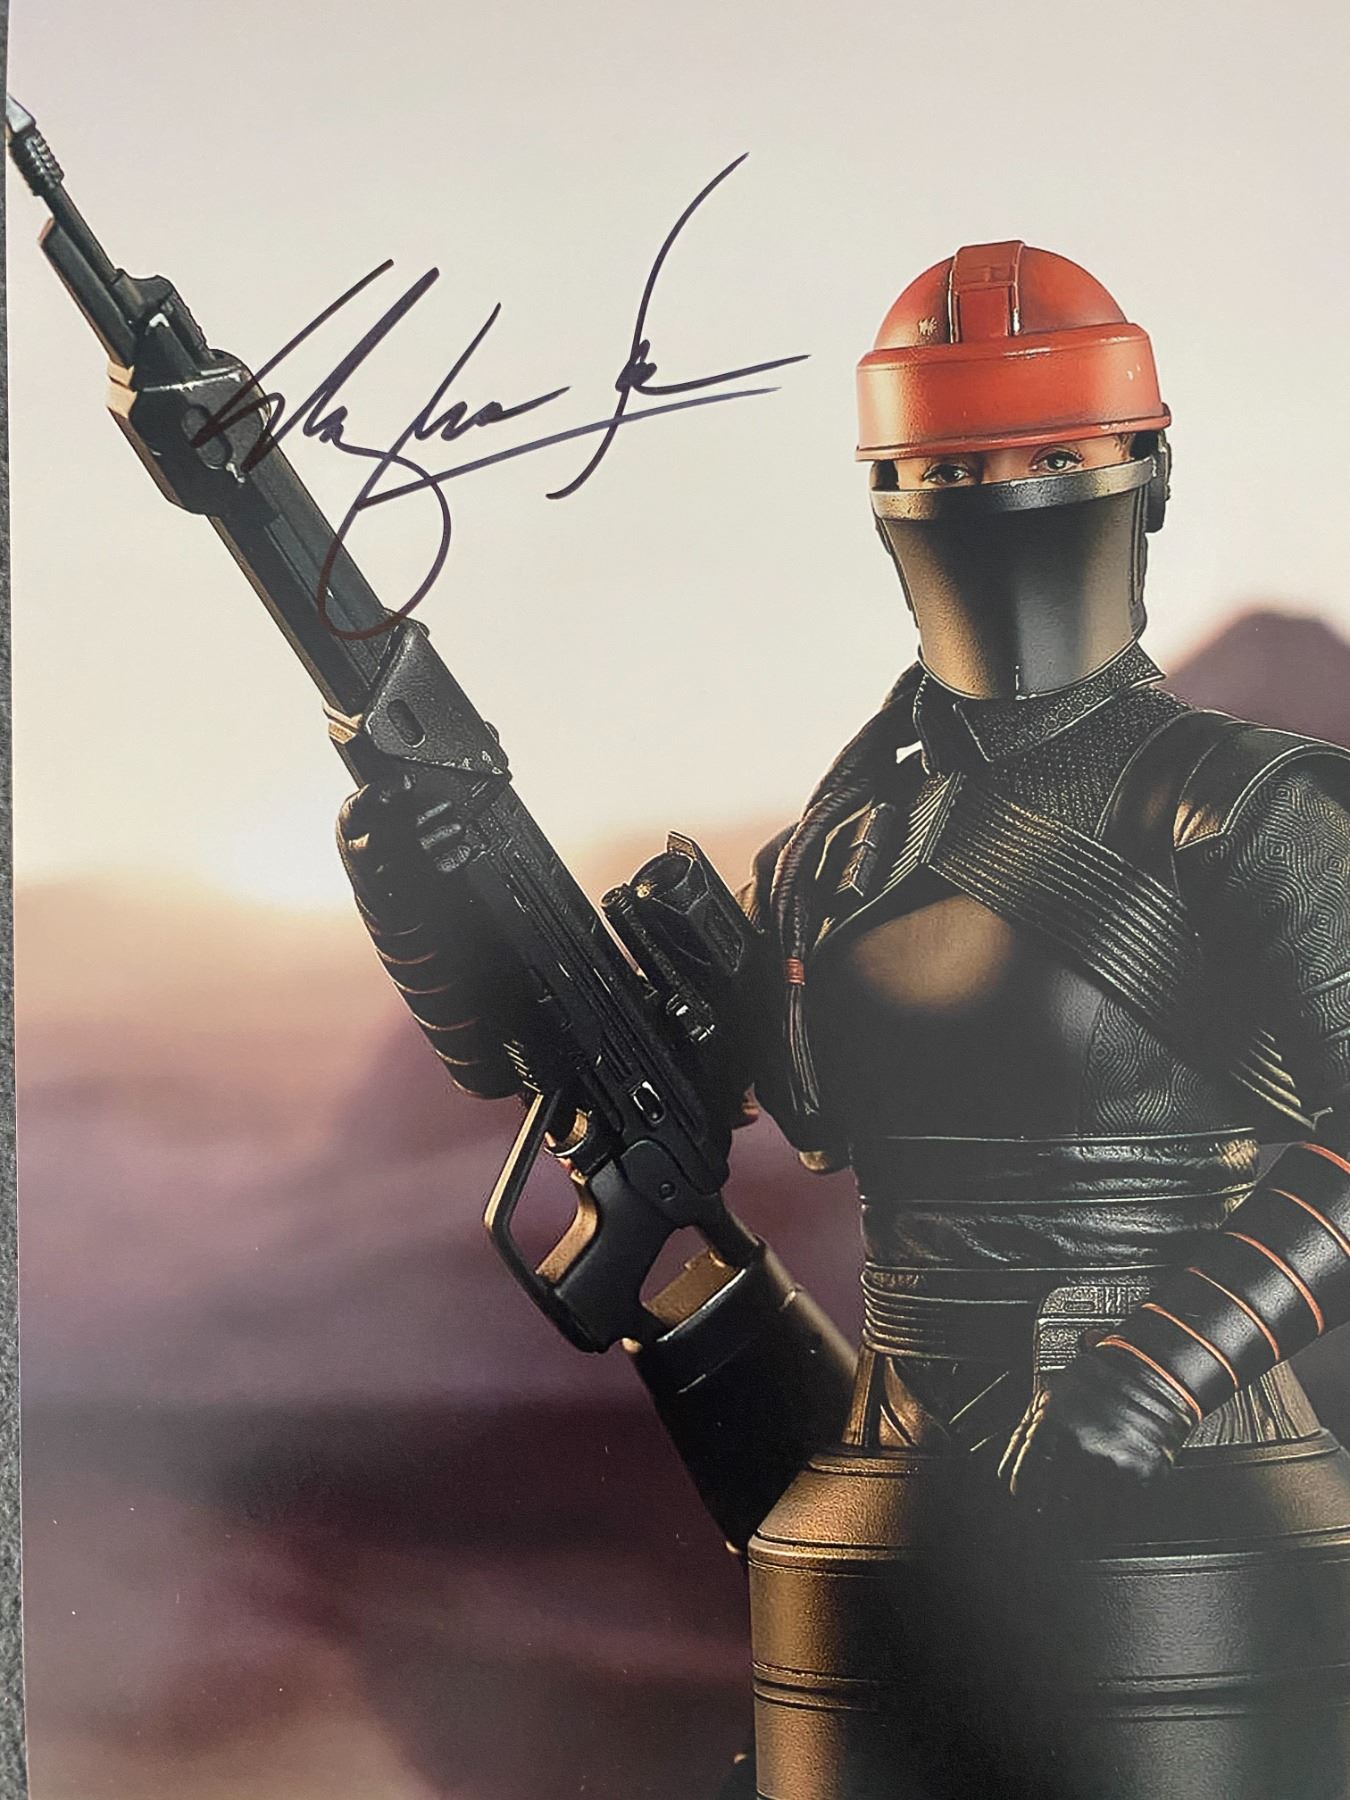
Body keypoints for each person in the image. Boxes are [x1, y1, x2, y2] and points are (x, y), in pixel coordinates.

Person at [339, 242, 1350, 1800]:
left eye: (1038, 460)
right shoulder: (838, 852)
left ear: (1142, 479)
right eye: (951, 469)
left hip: (1191, 1512)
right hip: (888, 1507)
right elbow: (573, 1073)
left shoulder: (1241, 810)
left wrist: (1161, 1368)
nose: (997, 499)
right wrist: (417, 886)